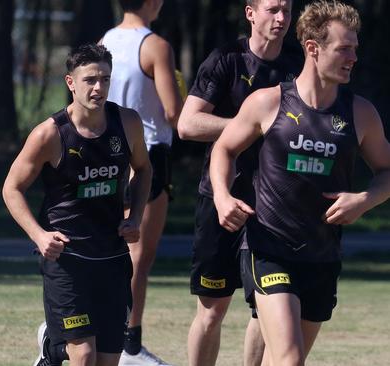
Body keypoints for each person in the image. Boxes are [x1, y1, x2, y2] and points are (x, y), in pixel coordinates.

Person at [210, 1, 390, 365]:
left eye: (355, 48)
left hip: (322, 257)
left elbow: (388, 171)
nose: (353, 57)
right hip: (268, 249)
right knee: (289, 359)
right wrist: (221, 196)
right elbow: (223, 149)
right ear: (313, 48)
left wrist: (364, 200)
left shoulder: (361, 113)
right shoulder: (268, 103)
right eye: (344, 48)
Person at [2, 44, 152, 366]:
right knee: (83, 356)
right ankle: (57, 347)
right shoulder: (50, 134)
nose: (98, 87)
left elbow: (144, 170)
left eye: (105, 79)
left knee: (108, 360)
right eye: (89, 80)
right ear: (71, 82)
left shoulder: (127, 123)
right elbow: (12, 188)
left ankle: (53, 349)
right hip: (67, 258)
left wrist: (135, 216)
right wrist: (40, 236)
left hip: (112, 254)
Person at [177, 0, 302, 364]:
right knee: (212, 311)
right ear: (250, 13)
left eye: (287, 11)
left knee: (266, 311)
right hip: (222, 199)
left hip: (275, 206)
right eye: (272, 10)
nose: (281, 19)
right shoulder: (226, 59)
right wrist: (250, 126)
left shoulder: (298, 64)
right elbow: (188, 124)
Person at [101, 1, 183, 363]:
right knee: (139, 255)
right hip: (146, 154)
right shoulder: (155, 46)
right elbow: (174, 113)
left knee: (108, 250)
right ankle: (128, 342)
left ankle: (93, 328)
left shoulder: (105, 40)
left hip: (107, 152)